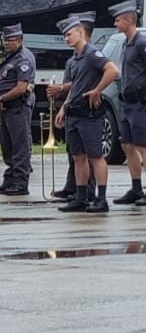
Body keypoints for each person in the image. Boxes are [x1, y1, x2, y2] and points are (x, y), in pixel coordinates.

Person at [49, 16, 119, 213]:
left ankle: (101, 198)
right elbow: (76, 87)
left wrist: (98, 90)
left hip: (89, 115)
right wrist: (64, 108)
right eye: (64, 35)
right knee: (78, 156)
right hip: (75, 112)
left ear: (81, 33)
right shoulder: (77, 58)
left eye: (69, 34)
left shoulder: (91, 54)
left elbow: (112, 70)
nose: (66, 38)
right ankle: (80, 197)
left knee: (96, 157)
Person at [105, 0, 146, 206]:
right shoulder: (126, 43)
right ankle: (136, 187)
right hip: (127, 103)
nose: (115, 24)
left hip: (140, 103)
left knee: (143, 146)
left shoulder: (142, 43)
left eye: (118, 20)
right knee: (127, 145)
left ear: (129, 21)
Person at [0, 24, 36, 195]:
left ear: (20, 40)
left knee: (19, 146)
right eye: (5, 39)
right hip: (6, 109)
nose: (7, 43)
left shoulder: (23, 59)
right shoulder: (10, 57)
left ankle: (21, 183)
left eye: (10, 40)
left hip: (17, 107)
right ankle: (10, 179)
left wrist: (2, 98)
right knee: (8, 146)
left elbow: (21, 88)